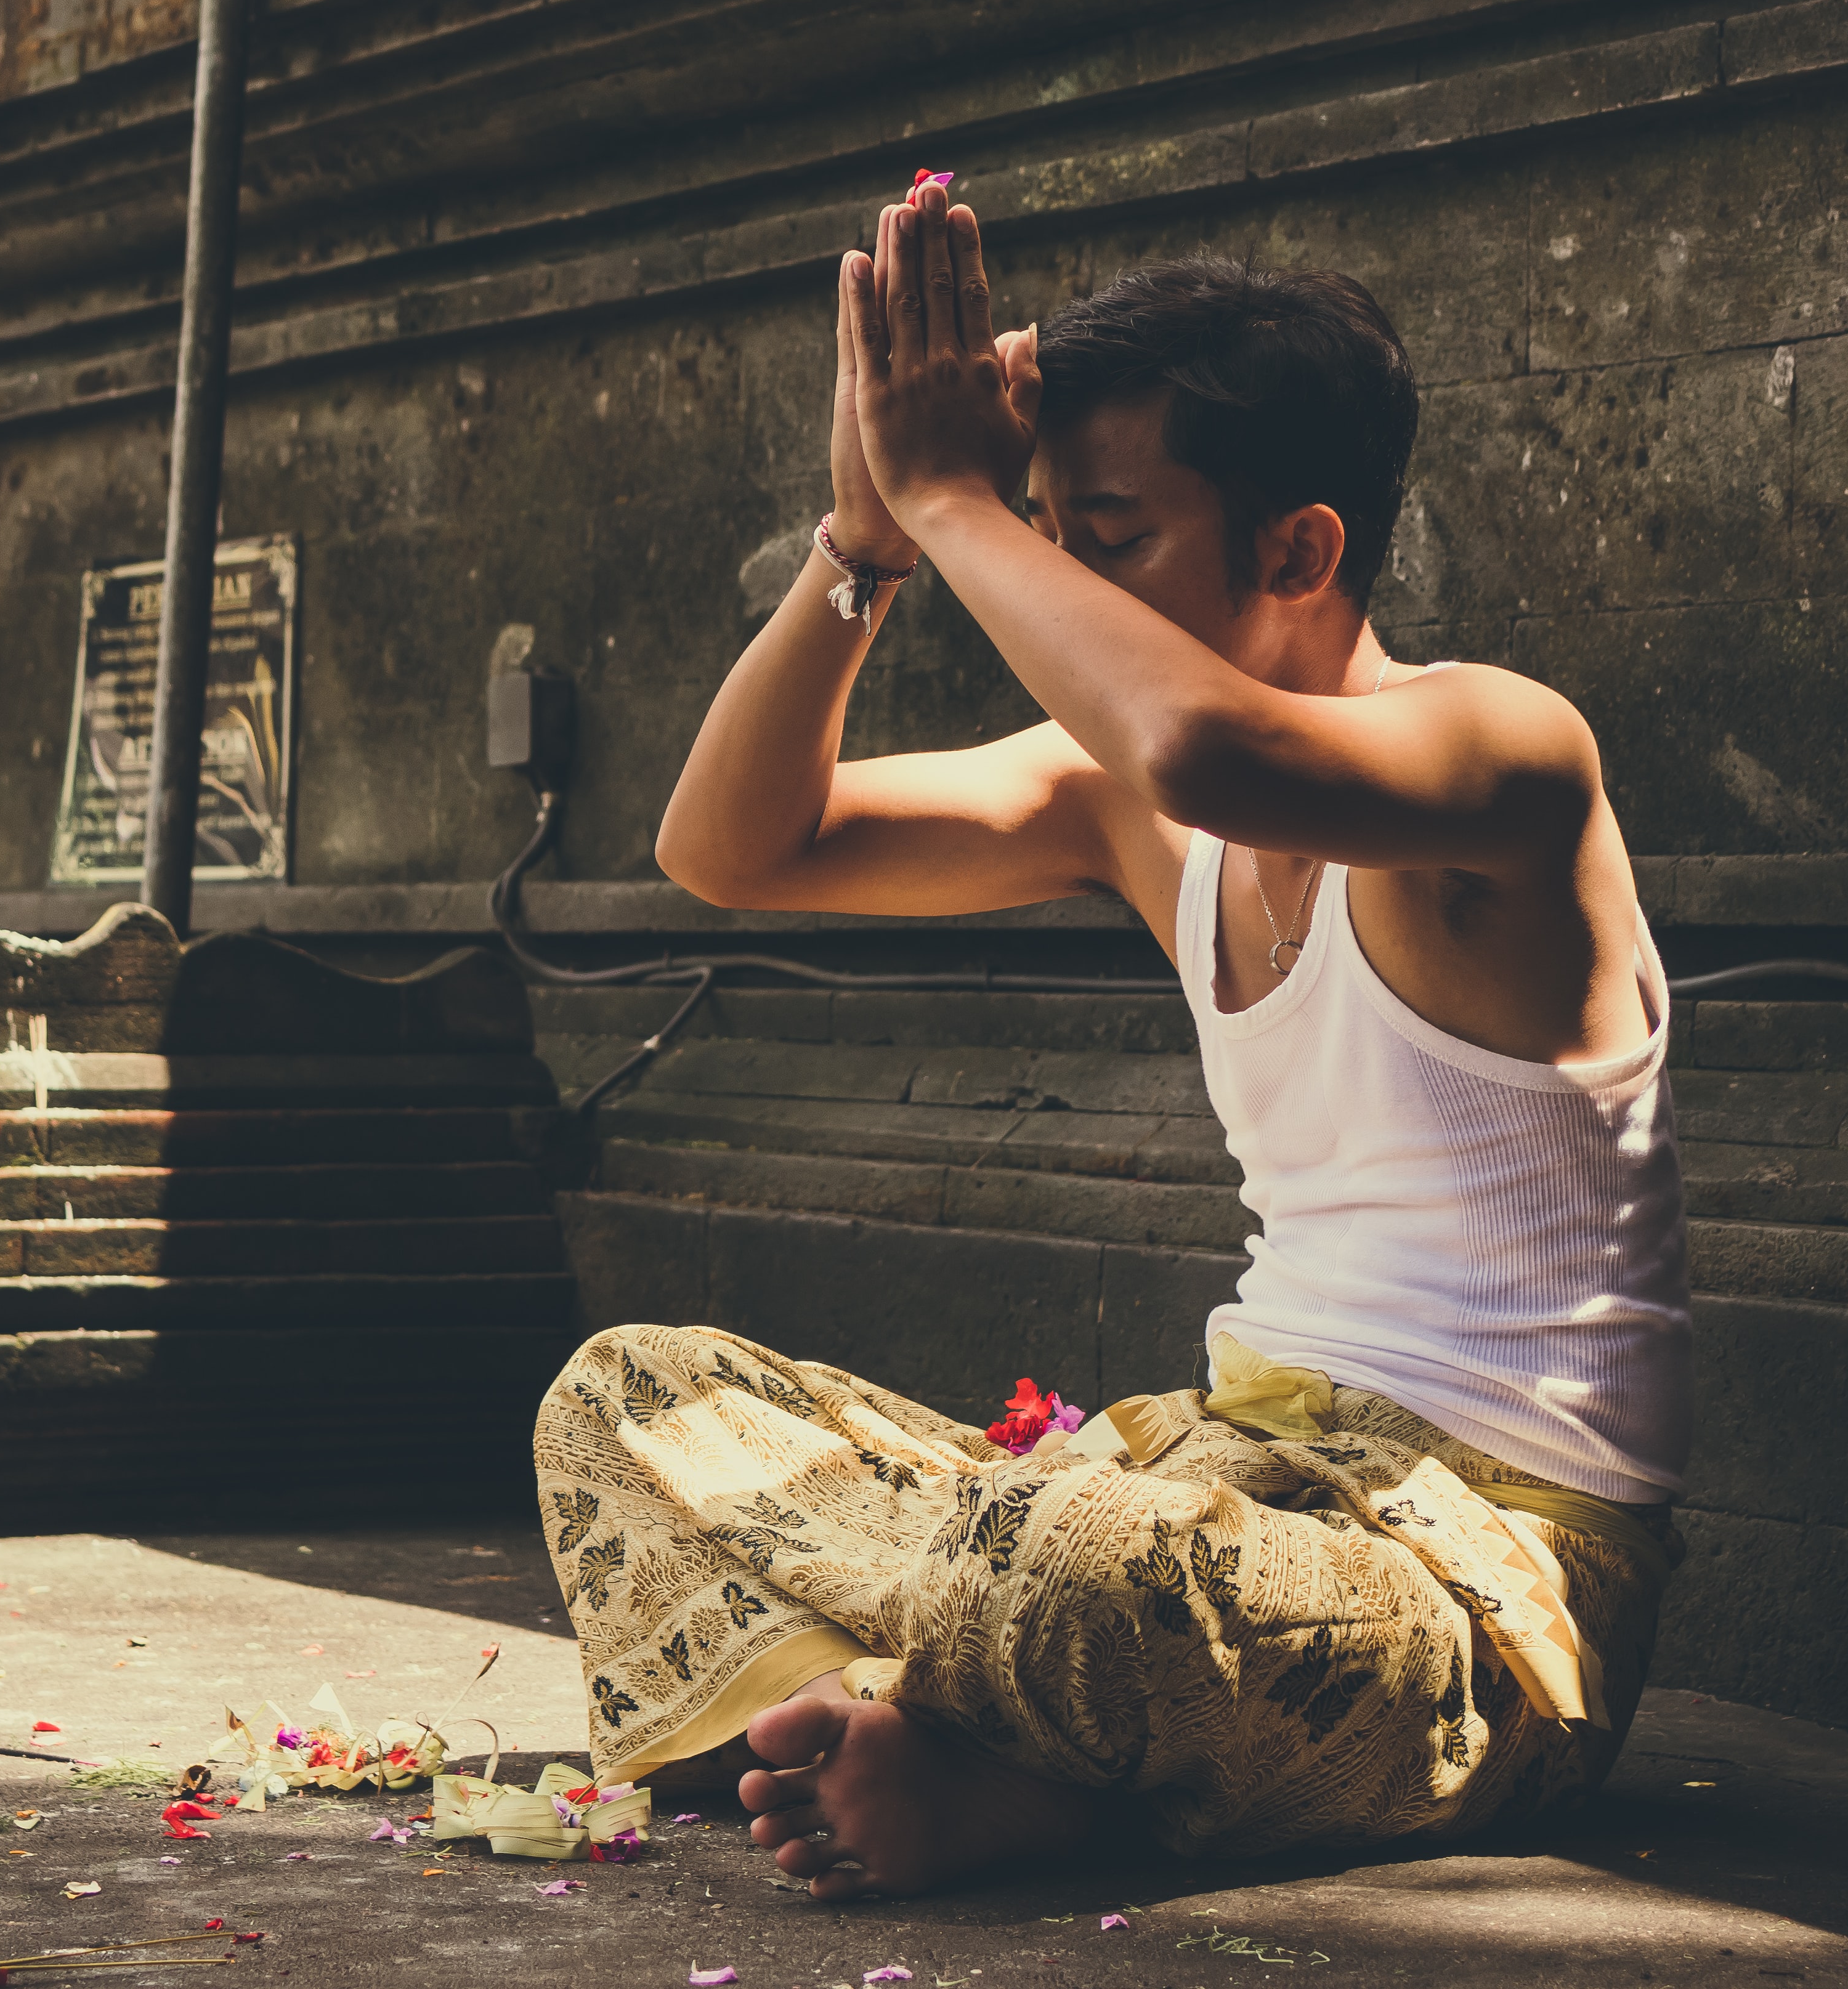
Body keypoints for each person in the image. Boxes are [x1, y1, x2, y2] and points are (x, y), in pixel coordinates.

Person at [529, 178, 1692, 1896]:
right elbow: (729, 849)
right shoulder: (1125, 800)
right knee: (627, 1400)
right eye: (1045, 532)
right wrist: (868, 550)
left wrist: (950, 493)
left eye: (1110, 538)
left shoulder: (1504, 753)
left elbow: (1211, 753)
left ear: (1298, 549)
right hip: (1199, 1471)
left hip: (1466, 1600)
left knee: (1077, 1548)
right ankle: (963, 1741)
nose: (1051, 588)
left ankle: (957, 1742)